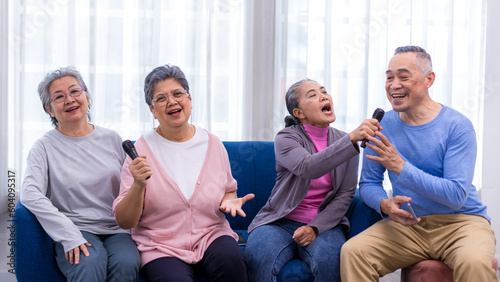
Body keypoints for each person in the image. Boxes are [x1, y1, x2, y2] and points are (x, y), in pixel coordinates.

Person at [340, 46, 497, 281]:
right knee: (354, 252)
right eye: (389, 77)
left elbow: (455, 195)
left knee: (473, 263)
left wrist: (401, 167)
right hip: (409, 225)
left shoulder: (457, 126)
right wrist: (384, 204)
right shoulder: (381, 125)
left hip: (462, 223)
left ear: (428, 80)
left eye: (403, 77)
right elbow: (369, 183)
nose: (394, 85)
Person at [113, 64, 253, 282]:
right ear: (152, 110)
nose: (172, 101)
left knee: (232, 262)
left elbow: (228, 190)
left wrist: (229, 200)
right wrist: (138, 185)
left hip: (211, 234)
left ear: (189, 99)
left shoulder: (213, 144)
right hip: (161, 245)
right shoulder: (139, 150)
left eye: (178, 93)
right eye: (161, 98)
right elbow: (125, 221)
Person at [245, 78, 383, 281]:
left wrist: (315, 228)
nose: (324, 96)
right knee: (259, 256)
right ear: (298, 113)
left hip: (325, 225)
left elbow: (345, 195)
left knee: (331, 260)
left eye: (324, 91)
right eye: (313, 95)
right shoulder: (286, 138)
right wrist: (352, 138)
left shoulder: (346, 142)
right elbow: (308, 167)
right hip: (279, 222)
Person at [20, 67, 140, 281]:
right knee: (89, 261)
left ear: (87, 96)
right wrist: (68, 235)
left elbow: (129, 187)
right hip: (76, 227)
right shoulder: (43, 147)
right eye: (58, 96)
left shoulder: (112, 138)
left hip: (116, 228)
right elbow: (29, 193)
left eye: (75, 91)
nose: (69, 99)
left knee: (127, 263)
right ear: (49, 109)